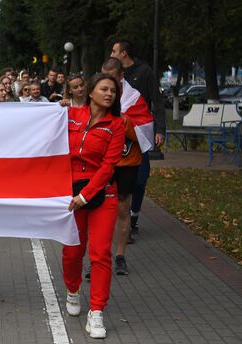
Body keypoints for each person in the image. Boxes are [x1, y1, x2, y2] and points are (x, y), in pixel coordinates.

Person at [62, 73, 124, 339]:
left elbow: (109, 166)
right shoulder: (70, 116)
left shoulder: (118, 124)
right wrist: (53, 111)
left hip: (103, 196)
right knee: (73, 251)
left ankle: (97, 311)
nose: (109, 94)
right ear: (90, 92)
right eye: (104, 89)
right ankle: (73, 289)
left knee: (100, 254)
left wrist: (86, 195)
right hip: (68, 194)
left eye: (113, 91)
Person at [110, 39, 166, 238]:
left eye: (114, 50)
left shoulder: (145, 72)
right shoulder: (108, 75)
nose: (111, 53)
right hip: (116, 138)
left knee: (140, 180)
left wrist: (160, 129)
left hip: (139, 133)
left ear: (123, 53)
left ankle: (133, 216)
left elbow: (156, 101)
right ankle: (121, 220)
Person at [102, 57, 143, 275]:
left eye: (111, 78)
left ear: (121, 76)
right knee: (99, 209)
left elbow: (144, 132)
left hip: (127, 162)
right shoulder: (98, 96)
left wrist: (123, 122)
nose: (107, 84)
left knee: (122, 208)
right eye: (103, 77)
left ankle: (120, 257)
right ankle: (99, 257)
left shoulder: (134, 99)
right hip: (102, 163)